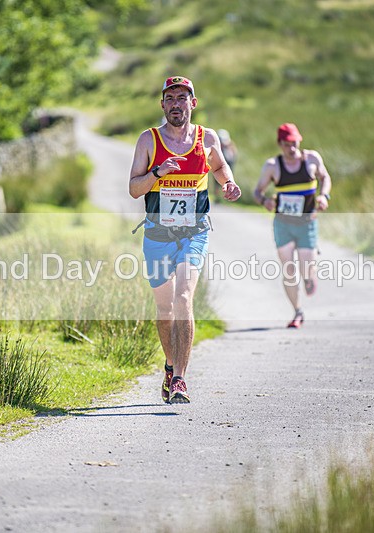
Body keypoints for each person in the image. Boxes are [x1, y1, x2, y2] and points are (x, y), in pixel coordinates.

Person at [129, 76, 242, 404]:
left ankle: (180, 378)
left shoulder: (206, 138)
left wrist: (228, 184)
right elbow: (134, 188)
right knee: (165, 309)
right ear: (162, 105)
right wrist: (158, 173)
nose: (176, 104)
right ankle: (169, 365)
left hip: (194, 231)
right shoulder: (148, 141)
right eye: (170, 98)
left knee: (183, 298)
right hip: (157, 234)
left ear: (193, 103)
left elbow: (220, 168)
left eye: (183, 98)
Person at [253, 122, 332, 329]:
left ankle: (309, 275)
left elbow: (325, 177)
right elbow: (257, 191)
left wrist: (324, 196)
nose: (292, 147)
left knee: (306, 267)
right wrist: (265, 201)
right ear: (280, 144)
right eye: (287, 144)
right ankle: (297, 311)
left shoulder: (312, 159)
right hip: (283, 223)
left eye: (295, 142)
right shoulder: (272, 166)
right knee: (288, 270)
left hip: (306, 222)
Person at [212, 129, 237, 202]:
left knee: (228, 180)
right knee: (216, 182)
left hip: (228, 164)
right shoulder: (217, 145)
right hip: (219, 165)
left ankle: (227, 196)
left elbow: (234, 155)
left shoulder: (230, 146)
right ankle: (218, 197)